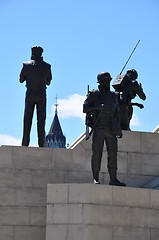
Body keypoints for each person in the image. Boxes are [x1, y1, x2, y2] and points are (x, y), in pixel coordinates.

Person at [83, 72, 126, 186]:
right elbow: (85, 108)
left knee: (113, 154)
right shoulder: (93, 94)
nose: (109, 82)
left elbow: (117, 112)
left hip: (111, 128)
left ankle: (113, 178)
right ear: (101, 82)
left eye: (109, 80)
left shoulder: (113, 95)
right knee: (97, 153)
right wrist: (97, 107)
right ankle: (95, 178)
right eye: (107, 80)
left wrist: (119, 128)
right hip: (99, 127)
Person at [19, 46, 52, 147]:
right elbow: (48, 82)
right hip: (41, 94)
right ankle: (41, 144)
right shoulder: (47, 66)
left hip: (30, 94)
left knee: (27, 119)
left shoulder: (26, 65)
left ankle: (25, 143)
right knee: (41, 121)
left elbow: (21, 80)